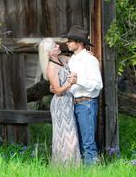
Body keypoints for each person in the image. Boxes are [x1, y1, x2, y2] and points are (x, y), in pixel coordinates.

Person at [37, 38, 81, 165]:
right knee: (66, 136)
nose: (58, 45)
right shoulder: (52, 67)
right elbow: (57, 91)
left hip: (68, 102)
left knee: (71, 134)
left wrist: (85, 54)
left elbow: (75, 59)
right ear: (50, 53)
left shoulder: (62, 59)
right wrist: (70, 83)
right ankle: (64, 167)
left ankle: (73, 166)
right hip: (61, 104)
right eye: (54, 46)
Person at [64, 25, 103, 165]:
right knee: (79, 143)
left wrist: (77, 80)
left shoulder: (90, 60)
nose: (67, 43)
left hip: (87, 104)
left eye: (70, 40)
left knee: (88, 143)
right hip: (75, 104)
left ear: (79, 42)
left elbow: (98, 84)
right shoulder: (73, 59)